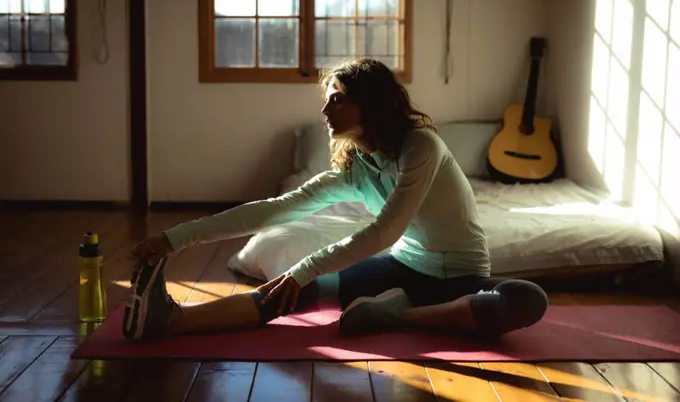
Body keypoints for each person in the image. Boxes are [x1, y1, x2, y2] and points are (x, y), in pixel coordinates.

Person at [123, 57, 549, 342]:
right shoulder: (356, 167)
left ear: (370, 104)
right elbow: (277, 208)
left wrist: (305, 266)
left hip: (462, 278)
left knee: (528, 299)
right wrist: (176, 238)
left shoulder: (422, 147)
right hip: (402, 270)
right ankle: (172, 321)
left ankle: (396, 316)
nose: (326, 112)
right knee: (290, 293)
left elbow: (385, 231)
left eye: (337, 101)